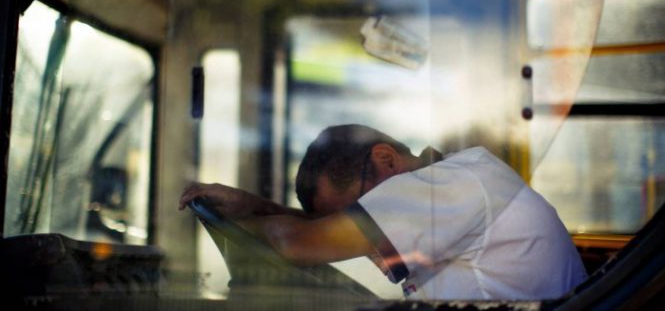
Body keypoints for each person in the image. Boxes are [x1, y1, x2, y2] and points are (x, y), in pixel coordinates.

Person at [178, 124, 587, 300]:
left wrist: (234, 217)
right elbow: (320, 233)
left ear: (386, 159)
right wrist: (259, 207)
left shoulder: (450, 186)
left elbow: (296, 243)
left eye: (358, 209)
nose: (359, 223)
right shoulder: (453, 188)